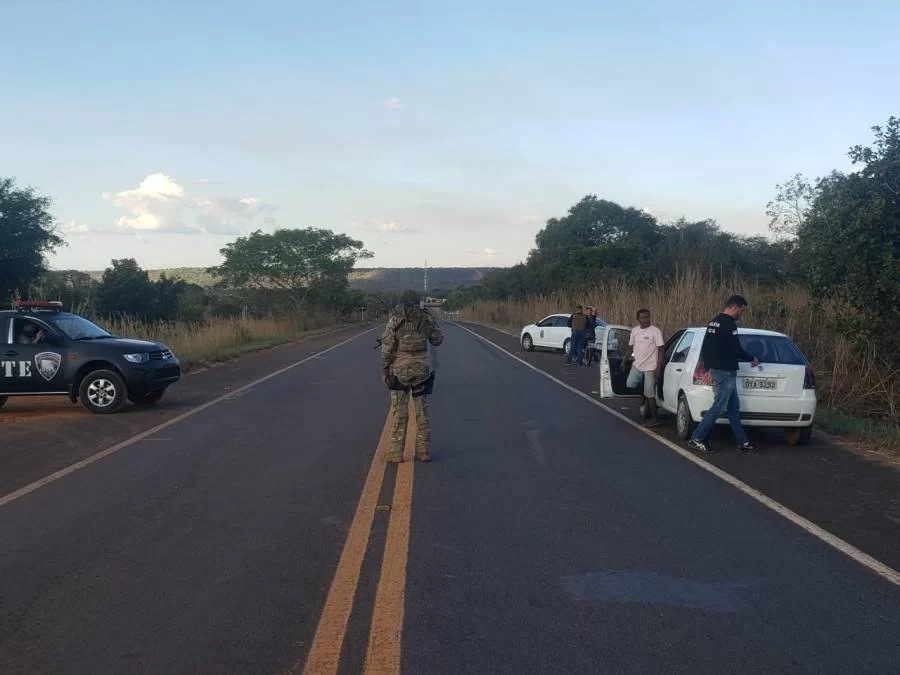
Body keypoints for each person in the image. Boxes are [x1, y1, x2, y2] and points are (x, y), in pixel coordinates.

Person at [688, 295, 759, 453]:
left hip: (717, 369)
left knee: (733, 408)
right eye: (741, 310)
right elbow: (735, 349)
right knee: (719, 406)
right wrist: (751, 358)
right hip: (725, 371)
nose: (741, 314)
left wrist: (707, 367)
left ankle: (743, 442)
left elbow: (706, 347)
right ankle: (697, 438)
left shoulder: (713, 321)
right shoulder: (729, 324)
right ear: (734, 307)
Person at [380, 290, 444, 463]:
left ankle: (395, 453)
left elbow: (387, 348)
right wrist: (433, 323)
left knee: (399, 412)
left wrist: (385, 370)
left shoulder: (395, 320)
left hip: (400, 371)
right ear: (418, 302)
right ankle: (424, 451)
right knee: (422, 412)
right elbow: (438, 340)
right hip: (421, 370)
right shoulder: (426, 319)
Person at [620, 309, 665, 427]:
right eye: (643, 318)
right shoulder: (634, 331)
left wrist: (658, 367)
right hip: (637, 365)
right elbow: (630, 347)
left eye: (647, 317)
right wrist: (624, 360)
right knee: (630, 384)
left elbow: (661, 349)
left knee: (650, 394)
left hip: (650, 366)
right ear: (638, 319)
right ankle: (643, 395)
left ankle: (654, 418)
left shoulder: (655, 331)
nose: (646, 320)